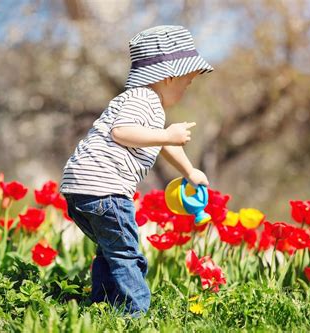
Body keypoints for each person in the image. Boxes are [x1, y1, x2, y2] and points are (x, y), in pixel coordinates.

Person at [59, 25, 213, 317]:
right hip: (105, 189)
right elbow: (123, 132)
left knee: (111, 252)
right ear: (168, 77)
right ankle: (135, 316)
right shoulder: (144, 100)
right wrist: (168, 135)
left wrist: (190, 171)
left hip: (81, 189)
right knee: (127, 255)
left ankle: (104, 306)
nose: (187, 88)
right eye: (187, 82)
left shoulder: (138, 101)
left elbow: (160, 141)